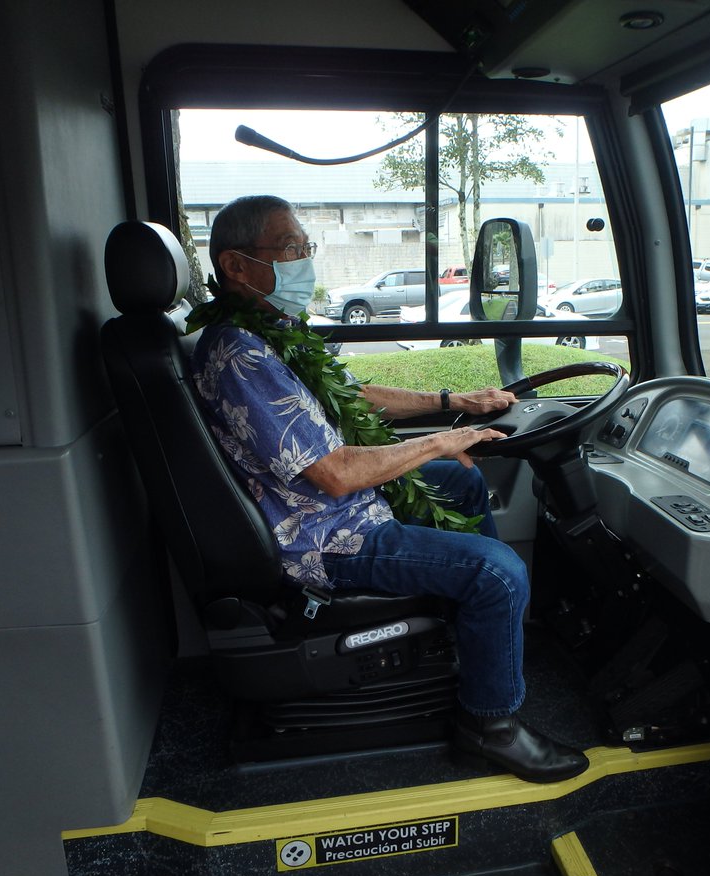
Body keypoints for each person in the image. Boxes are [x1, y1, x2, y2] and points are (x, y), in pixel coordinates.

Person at [190, 195, 588, 783]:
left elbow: (355, 397)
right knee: (499, 572)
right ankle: (490, 728)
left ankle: (473, 635)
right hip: (322, 538)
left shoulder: (275, 333)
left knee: (456, 482)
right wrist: (436, 442)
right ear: (237, 266)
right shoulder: (238, 356)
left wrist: (454, 404)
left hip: (343, 510)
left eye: (306, 248)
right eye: (291, 249)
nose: (305, 261)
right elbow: (335, 473)